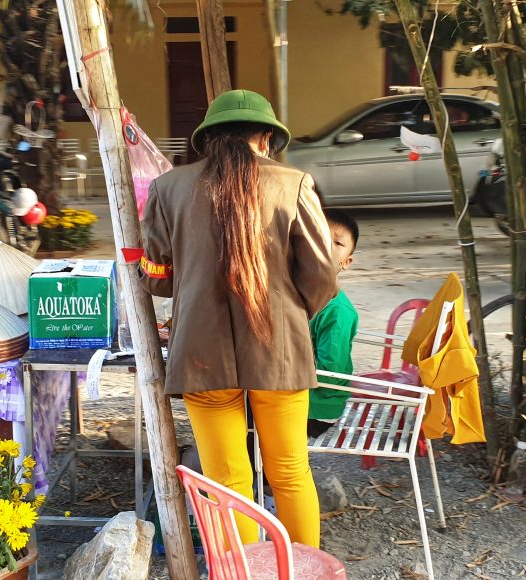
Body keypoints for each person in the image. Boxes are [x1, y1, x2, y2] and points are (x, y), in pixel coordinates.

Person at [139, 89, 338, 548]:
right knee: (289, 472)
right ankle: (303, 570)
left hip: (200, 354)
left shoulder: (168, 187)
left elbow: (157, 277)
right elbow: (323, 276)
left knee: (227, 479)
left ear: (208, 140)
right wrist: (289, 313)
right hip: (279, 352)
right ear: (265, 138)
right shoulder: (294, 183)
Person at [306, 209, 361, 438]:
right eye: (319, 236)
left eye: (337, 242)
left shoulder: (337, 311)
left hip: (317, 407)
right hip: (301, 396)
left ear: (346, 262)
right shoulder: (304, 294)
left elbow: (330, 374)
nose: (327, 246)